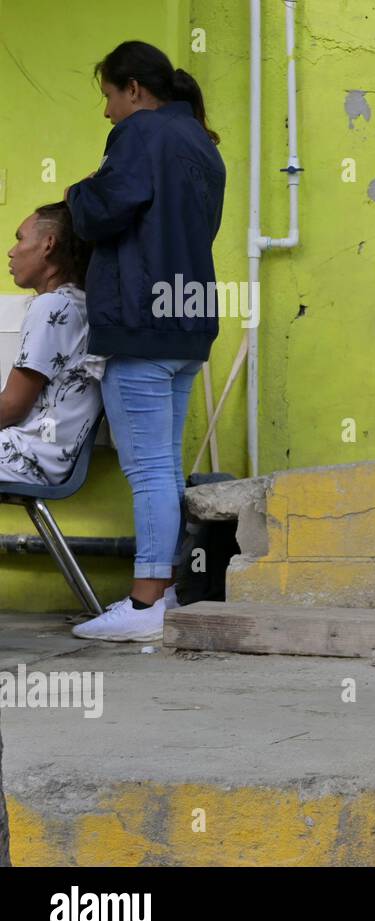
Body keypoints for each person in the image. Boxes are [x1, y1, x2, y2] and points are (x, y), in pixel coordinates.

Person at [64, 40, 226, 641]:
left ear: (133, 89)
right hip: (187, 319)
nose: (107, 112)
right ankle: (164, 595)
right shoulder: (203, 146)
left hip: (141, 320)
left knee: (150, 468)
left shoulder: (141, 134)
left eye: (109, 96)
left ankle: (144, 605)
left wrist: (80, 191)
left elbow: (104, 211)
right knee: (165, 465)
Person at [1, 203, 100, 484]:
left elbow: (12, 406)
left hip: (24, 456)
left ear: (48, 245)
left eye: (20, 238)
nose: (11, 251)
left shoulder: (53, 306)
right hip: (46, 458)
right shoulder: (80, 303)